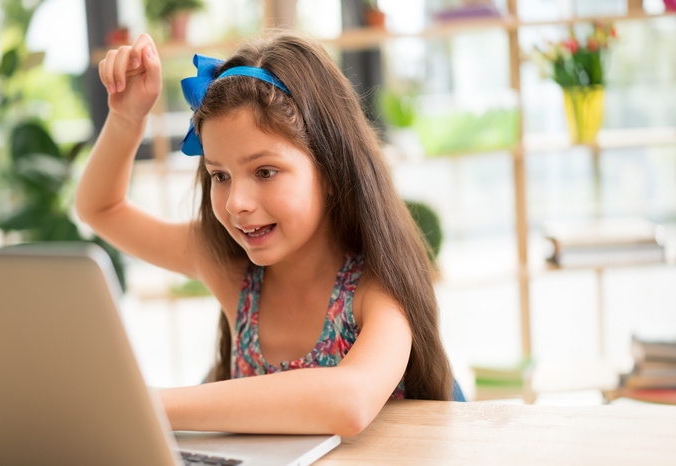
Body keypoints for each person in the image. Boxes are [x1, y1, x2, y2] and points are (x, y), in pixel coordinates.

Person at [75, 31, 458, 437]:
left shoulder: (376, 287)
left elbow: (350, 400)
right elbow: (101, 209)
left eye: (265, 172)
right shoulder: (229, 266)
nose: (236, 202)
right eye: (219, 175)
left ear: (330, 170)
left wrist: (143, 405)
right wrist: (126, 118)